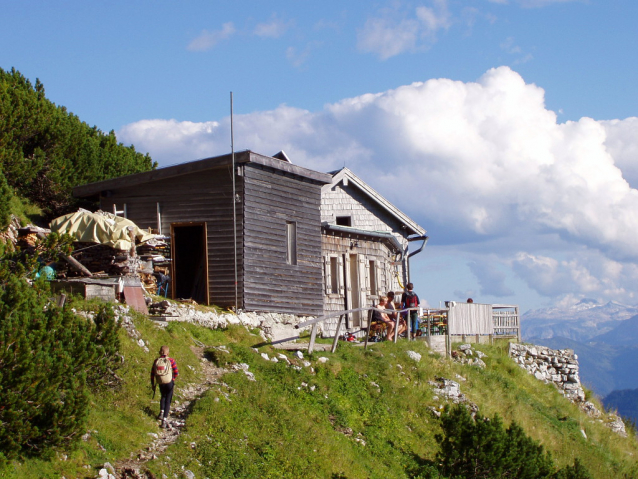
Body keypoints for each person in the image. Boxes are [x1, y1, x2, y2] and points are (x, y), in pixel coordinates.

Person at [151, 345, 179, 428]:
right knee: (168, 399)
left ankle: (161, 412)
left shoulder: (156, 361)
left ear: (160, 352)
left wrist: (153, 383)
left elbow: (152, 373)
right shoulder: (171, 360)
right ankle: (164, 420)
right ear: (168, 353)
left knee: (163, 396)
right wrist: (172, 379)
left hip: (160, 382)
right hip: (169, 382)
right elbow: (176, 372)